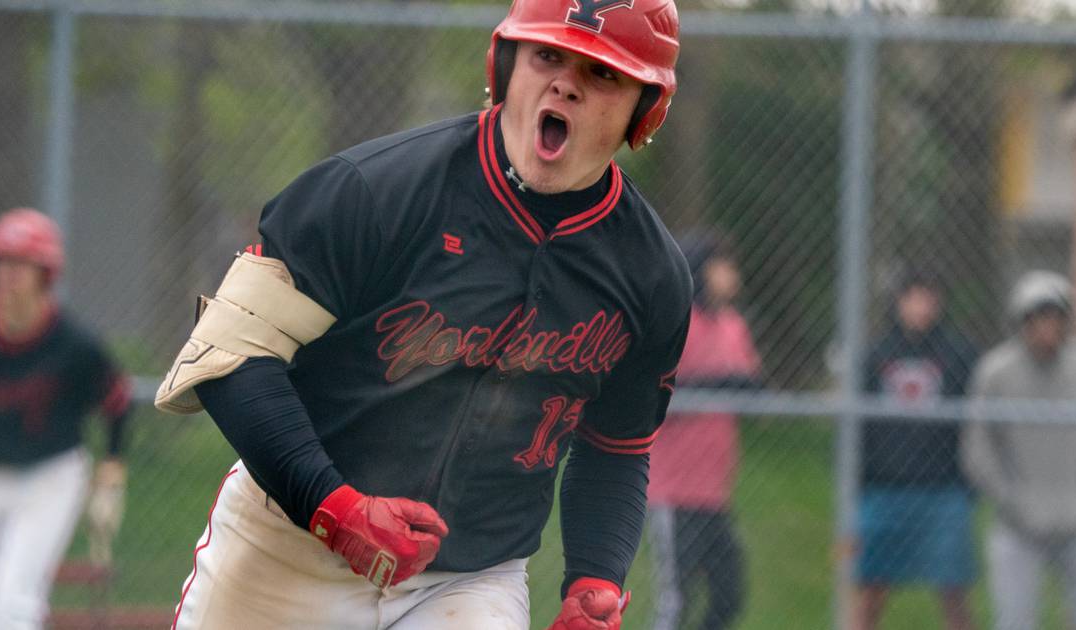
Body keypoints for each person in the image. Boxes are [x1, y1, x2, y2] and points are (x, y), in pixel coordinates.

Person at [154, 1, 689, 628]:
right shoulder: (374, 190)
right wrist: (333, 505)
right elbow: (229, 357)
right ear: (506, 63)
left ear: (644, 109)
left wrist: (594, 577)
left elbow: (615, 447)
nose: (565, 83)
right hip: (291, 545)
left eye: (602, 74)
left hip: (471, 580)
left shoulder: (649, 274)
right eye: (548, 55)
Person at [0, 208, 133, 630]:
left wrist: (111, 473)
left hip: (49, 477)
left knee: (12, 602)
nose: (8, 274)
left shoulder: (74, 343)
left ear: (46, 274)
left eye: (21, 264)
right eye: (1, 262)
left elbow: (118, 403)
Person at [962, 270, 1076, 630]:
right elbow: (979, 449)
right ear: (1021, 322)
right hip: (1017, 524)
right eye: (1038, 319)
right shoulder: (996, 371)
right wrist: (1010, 498)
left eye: (1055, 318)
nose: (1047, 328)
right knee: (1015, 620)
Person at [646, 232, 760, 630]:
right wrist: (715, 385)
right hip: (673, 490)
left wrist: (738, 387)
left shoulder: (733, 325)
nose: (732, 274)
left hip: (716, 492)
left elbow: (749, 385)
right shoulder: (680, 321)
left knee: (729, 594)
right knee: (676, 599)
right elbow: (654, 397)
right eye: (722, 265)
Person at [853, 270, 977, 630]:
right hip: (885, 489)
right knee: (870, 592)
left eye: (929, 298)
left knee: (954, 593)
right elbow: (859, 430)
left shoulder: (959, 355)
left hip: (943, 490)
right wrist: (863, 476)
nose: (921, 307)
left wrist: (966, 481)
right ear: (899, 302)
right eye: (913, 297)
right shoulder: (876, 354)